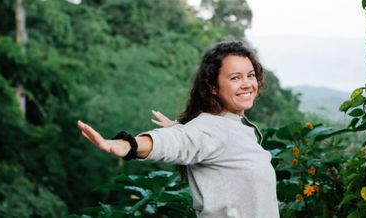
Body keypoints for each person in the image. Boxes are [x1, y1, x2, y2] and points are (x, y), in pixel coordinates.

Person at [77, 41, 279, 218]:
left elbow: (197, 140)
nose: (246, 84)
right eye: (235, 78)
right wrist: (130, 144)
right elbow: (175, 141)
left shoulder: (231, 127)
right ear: (213, 87)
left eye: (250, 75)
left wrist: (180, 128)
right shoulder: (210, 129)